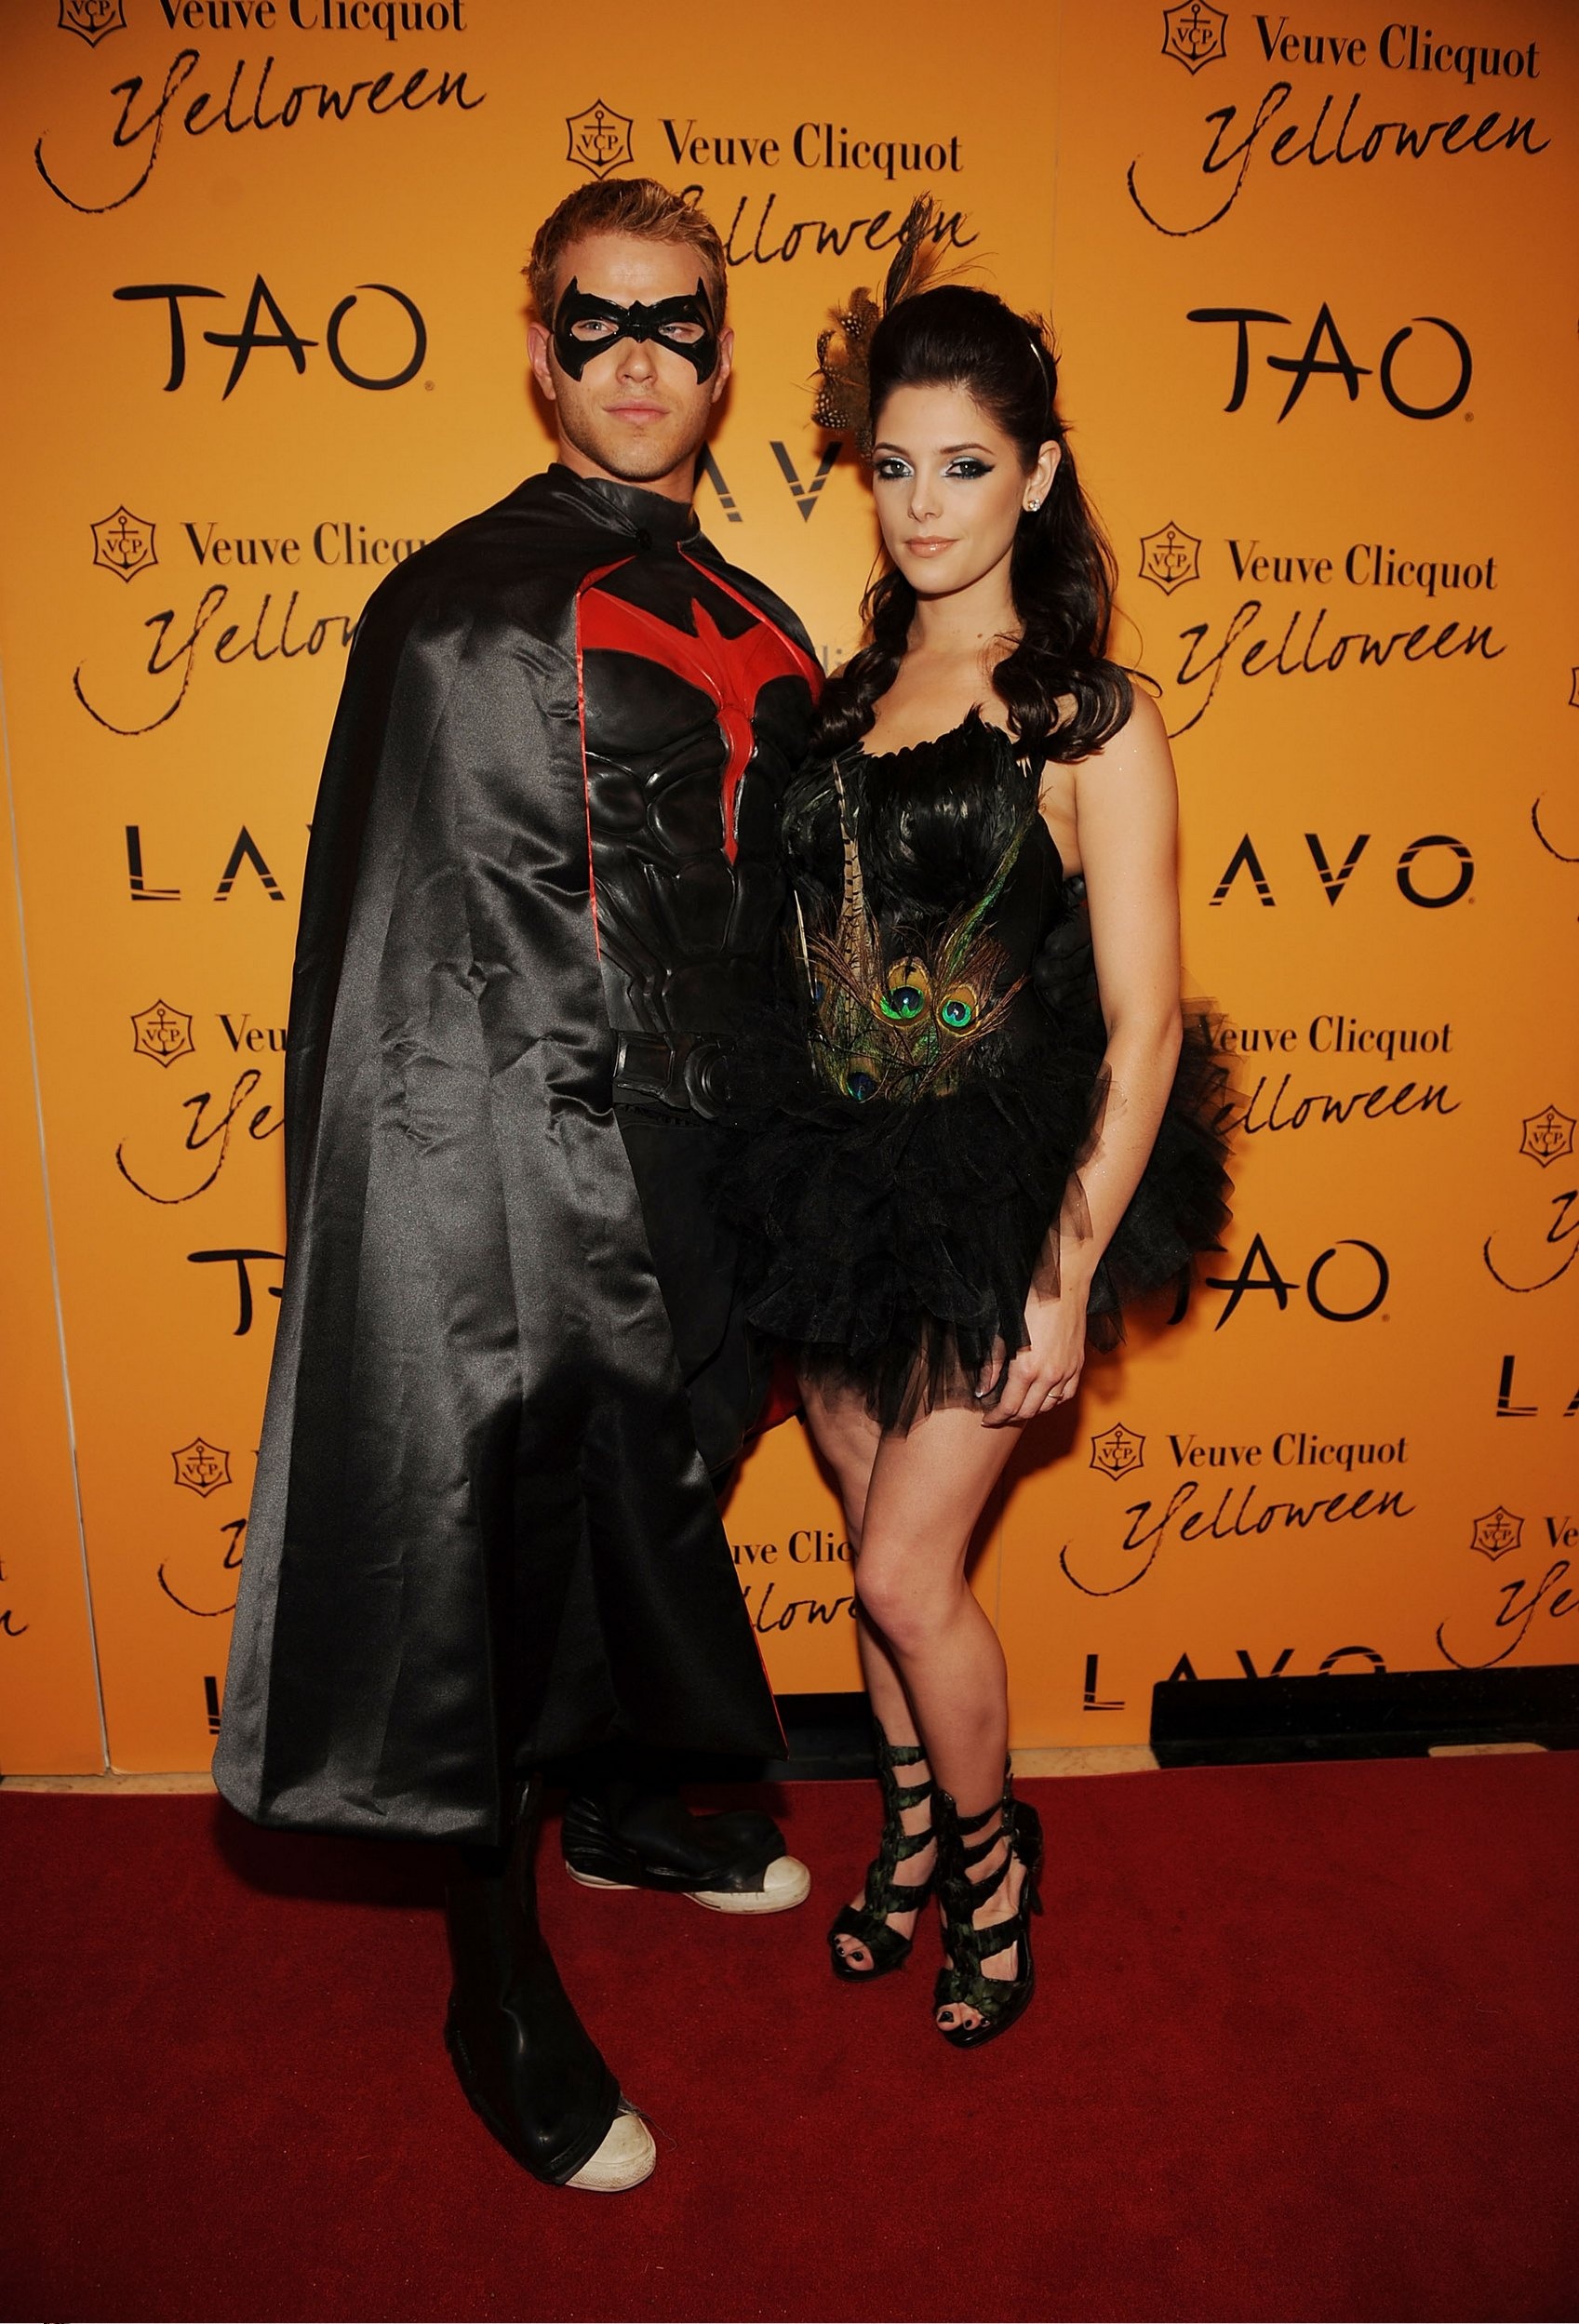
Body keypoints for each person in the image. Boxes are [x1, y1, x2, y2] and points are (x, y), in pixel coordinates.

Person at [213, 178, 822, 2191]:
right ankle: (493, 1986)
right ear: (544, 351)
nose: (638, 357)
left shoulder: (758, 612)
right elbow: (420, 981)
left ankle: (629, 1812)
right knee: (504, 1556)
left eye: (675, 321)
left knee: (661, 1502)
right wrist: (516, 1225)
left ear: (719, 358)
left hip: (724, 1184)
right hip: (537, 1188)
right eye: (596, 319)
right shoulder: (463, 612)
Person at [729, 259, 1232, 2047]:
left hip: (998, 1196)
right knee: (873, 1553)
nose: (923, 505)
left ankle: (994, 1871)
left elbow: (1145, 1023)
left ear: (1037, 472)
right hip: (827, 1179)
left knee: (899, 1576)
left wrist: (1063, 1269)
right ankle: (910, 1835)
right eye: (893, 466)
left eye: (962, 466)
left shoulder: (1089, 716)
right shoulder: (845, 692)